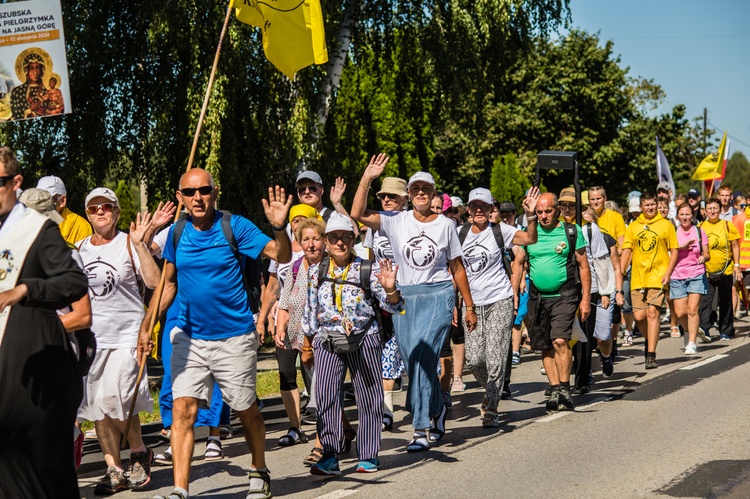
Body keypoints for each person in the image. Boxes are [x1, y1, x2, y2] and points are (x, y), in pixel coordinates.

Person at [137, 168, 292, 499]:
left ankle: (259, 469)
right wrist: (147, 324)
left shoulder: (234, 226)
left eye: (204, 190)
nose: (198, 198)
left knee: (244, 408)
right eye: (190, 192)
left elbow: (282, 256)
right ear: (180, 198)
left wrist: (279, 227)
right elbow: (167, 285)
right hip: (189, 338)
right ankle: (180, 489)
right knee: (183, 410)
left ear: (214, 192)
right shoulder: (177, 234)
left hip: (233, 336)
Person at [352, 154, 477, 452]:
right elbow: (357, 212)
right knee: (413, 363)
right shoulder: (396, 221)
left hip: (438, 295)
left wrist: (469, 306)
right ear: (409, 194)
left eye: (426, 189)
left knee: (422, 359)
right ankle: (438, 407)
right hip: (405, 298)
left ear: (434, 193)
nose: (421, 193)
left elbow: (457, 267)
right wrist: (366, 178)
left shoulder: (446, 225)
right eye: (415, 189)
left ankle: (419, 428)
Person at [0, 147, 89, 498]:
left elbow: (74, 282)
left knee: (50, 481)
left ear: (15, 182)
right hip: (6, 377)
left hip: (38, 375)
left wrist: (25, 289)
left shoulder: (36, 230)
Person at [302, 212, 404, 475]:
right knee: (324, 395)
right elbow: (310, 309)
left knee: (369, 396)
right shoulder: (316, 271)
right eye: (334, 237)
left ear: (352, 239)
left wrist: (391, 289)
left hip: (364, 339)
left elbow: (394, 306)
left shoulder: (366, 269)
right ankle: (330, 454)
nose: (339, 243)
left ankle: (369, 454)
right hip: (328, 342)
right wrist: (308, 340)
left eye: (345, 237)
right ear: (326, 241)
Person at [78, 187, 161, 494]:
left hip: (127, 334)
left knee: (120, 399)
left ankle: (139, 451)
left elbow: (154, 282)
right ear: (87, 214)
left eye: (106, 207)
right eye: (94, 208)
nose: (100, 212)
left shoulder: (129, 242)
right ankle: (113, 468)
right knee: (97, 405)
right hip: (92, 338)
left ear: (116, 211)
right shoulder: (79, 249)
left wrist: (140, 245)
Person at [459, 187, 538, 427]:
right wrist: (456, 303)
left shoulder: (500, 230)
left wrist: (531, 216)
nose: (479, 210)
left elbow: (530, 239)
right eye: (475, 206)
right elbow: (453, 268)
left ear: (491, 209)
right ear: (469, 209)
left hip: (499, 300)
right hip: (471, 304)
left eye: (484, 206)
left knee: (495, 356)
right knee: (473, 360)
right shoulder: (459, 233)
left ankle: (492, 404)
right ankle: (491, 389)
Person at [525, 192, 590, 411]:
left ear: (557, 210)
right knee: (545, 345)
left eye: (548, 211)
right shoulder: (530, 234)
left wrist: (586, 300)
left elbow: (583, 266)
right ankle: (553, 388)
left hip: (565, 294)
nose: (543, 216)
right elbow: (518, 263)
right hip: (538, 297)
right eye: (539, 212)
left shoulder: (571, 232)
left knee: (560, 340)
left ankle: (564, 387)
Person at [276, 216, 326, 464]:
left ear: (323, 241)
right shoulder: (295, 267)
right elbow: (284, 302)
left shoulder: (328, 266)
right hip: (291, 333)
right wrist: (279, 327)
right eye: (306, 239)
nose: (311, 244)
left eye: (315, 238)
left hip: (319, 336)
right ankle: (295, 427)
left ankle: (323, 438)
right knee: (286, 374)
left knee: (320, 388)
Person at [362, 177, 408, 432]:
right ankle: (387, 411)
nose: (386, 200)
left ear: (404, 199)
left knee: (413, 351)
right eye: (382, 196)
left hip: (409, 296)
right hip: (382, 299)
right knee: (387, 352)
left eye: (392, 196)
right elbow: (370, 259)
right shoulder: (374, 225)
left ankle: (431, 398)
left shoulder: (410, 222)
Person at [620, 192, 678, 369]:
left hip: (658, 276)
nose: (651, 208)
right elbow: (627, 251)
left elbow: (674, 250)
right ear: (641, 207)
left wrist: (668, 272)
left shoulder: (665, 225)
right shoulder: (633, 227)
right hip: (638, 277)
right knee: (639, 317)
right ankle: (649, 339)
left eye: (653, 204)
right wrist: (620, 274)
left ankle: (650, 355)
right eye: (647, 205)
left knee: (653, 313)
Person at [698, 197, 742, 341]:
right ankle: (704, 328)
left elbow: (735, 245)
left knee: (725, 301)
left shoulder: (727, 225)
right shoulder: (700, 227)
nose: (712, 211)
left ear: (719, 210)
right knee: (705, 301)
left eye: (715, 208)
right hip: (707, 270)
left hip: (726, 269)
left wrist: (737, 265)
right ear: (705, 211)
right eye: (709, 208)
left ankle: (726, 330)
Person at [670, 204, 710, 354]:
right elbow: (668, 252)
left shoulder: (700, 231)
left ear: (692, 216)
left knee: (692, 310)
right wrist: (681, 248)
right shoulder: (673, 232)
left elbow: (707, 254)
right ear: (677, 216)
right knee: (680, 314)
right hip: (677, 275)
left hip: (696, 273)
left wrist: (703, 257)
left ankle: (692, 342)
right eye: (682, 215)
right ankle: (690, 329)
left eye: (687, 214)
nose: (685, 217)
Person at [37, 174, 93, 245]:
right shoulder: (31, 222)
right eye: (38, 200)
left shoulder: (81, 227)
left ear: (62, 201)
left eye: (47, 200)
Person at [10, 52, 48, 119]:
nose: (35, 72)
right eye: (32, 68)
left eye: (37, 67)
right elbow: (16, 115)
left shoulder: (47, 91)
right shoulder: (17, 91)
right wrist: (29, 111)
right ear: (26, 70)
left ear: (42, 69)